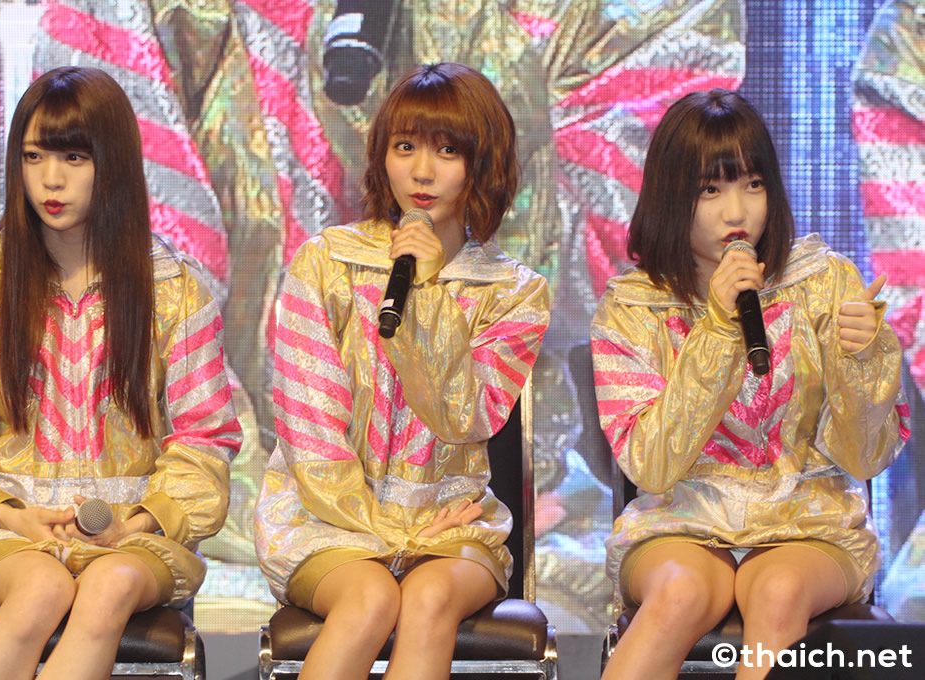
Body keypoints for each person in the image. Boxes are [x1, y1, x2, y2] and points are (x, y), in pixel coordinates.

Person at [0, 66, 241, 680]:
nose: (51, 180)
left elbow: (205, 440)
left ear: (113, 164)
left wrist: (134, 522)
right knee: (41, 587)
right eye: (34, 156)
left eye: (74, 158)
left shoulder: (174, 293)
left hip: (132, 536)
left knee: (108, 586)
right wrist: (13, 516)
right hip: (10, 534)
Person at [591, 89, 910, 680]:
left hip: (809, 520)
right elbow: (650, 465)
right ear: (671, 195)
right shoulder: (633, 306)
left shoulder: (823, 281)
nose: (736, 213)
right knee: (679, 593)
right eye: (710, 191)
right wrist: (717, 328)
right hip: (682, 518)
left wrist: (865, 361)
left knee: (778, 591)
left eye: (753, 185)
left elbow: (865, 457)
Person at [253, 62, 550, 680]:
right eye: (405, 147)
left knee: (429, 596)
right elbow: (309, 430)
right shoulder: (326, 263)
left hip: (450, 523)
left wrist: (431, 291)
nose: (422, 172)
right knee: (369, 598)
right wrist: (389, 528)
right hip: (327, 519)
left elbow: (466, 417)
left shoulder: (515, 293)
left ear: (484, 163)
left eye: (447, 151)